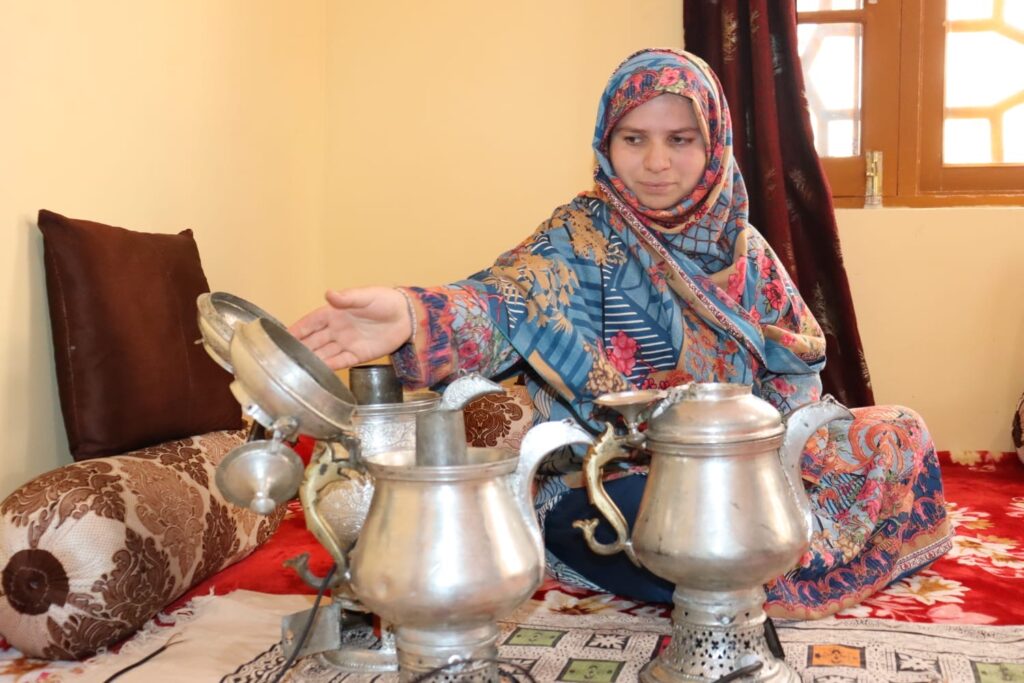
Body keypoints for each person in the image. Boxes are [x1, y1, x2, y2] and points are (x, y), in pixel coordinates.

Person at [291, 48, 951, 619]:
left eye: (680, 139)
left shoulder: (743, 250)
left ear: (713, 142)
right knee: (644, 510)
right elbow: (504, 298)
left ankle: (752, 554)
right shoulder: (581, 233)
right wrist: (413, 314)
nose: (656, 162)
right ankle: (725, 559)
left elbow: (794, 369)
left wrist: (779, 457)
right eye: (633, 139)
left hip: (737, 460)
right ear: (606, 145)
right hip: (600, 460)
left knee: (898, 434)